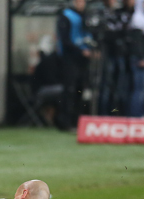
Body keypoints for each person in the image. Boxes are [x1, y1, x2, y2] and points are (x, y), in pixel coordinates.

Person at [55, 0, 93, 131]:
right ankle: (65, 122)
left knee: (80, 90)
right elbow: (64, 40)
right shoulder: (66, 16)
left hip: (83, 60)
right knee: (69, 90)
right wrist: (81, 50)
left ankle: (77, 121)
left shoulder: (87, 16)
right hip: (70, 59)